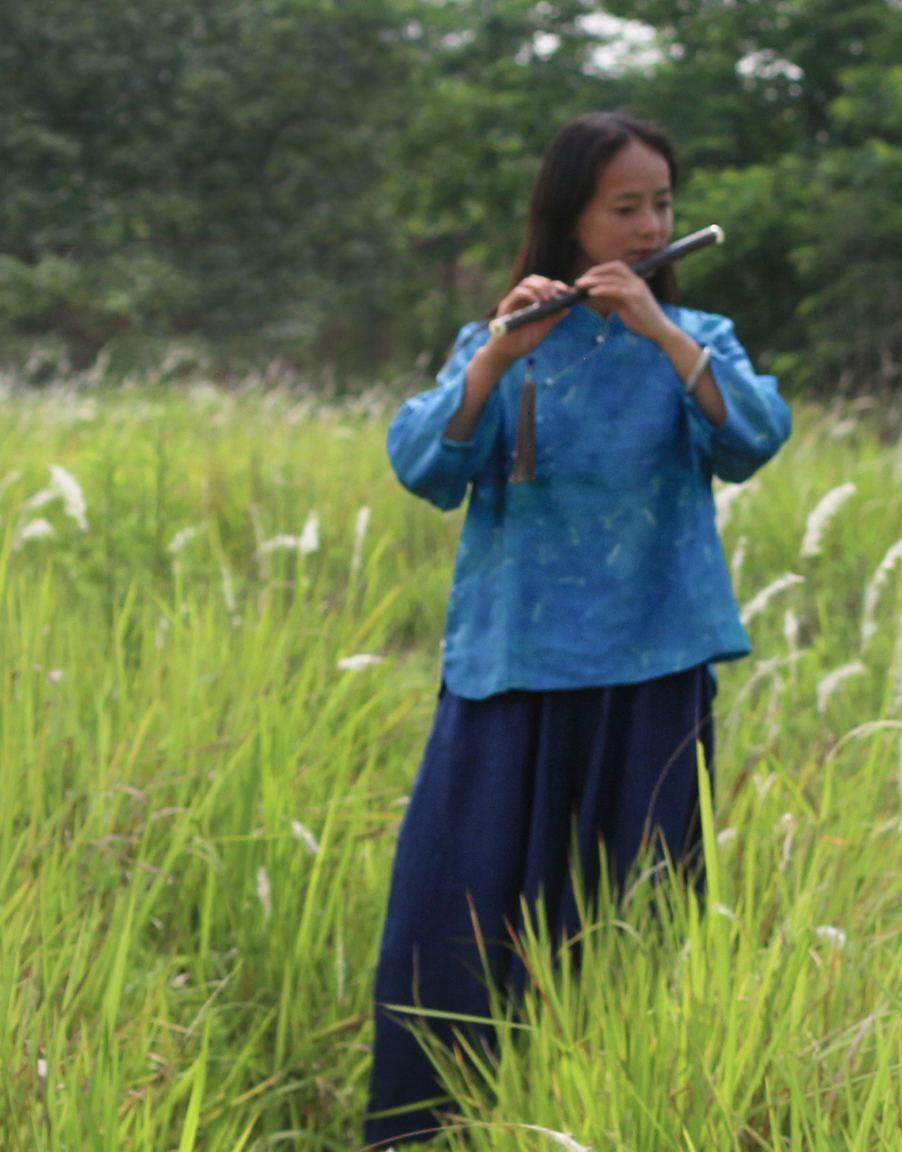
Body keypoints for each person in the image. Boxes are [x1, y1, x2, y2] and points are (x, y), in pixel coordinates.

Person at [365, 112, 791, 1146]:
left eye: (664, 206)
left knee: (635, 915)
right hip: (513, 671)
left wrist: (659, 327)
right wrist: (498, 355)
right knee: (458, 915)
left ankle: (616, 1112)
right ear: (570, 220)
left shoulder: (702, 342)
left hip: (654, 665)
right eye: (626, 208)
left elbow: (753, 439)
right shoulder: (504, 339)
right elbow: (426, 469)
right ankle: (442, 1126)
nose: (652, 227)